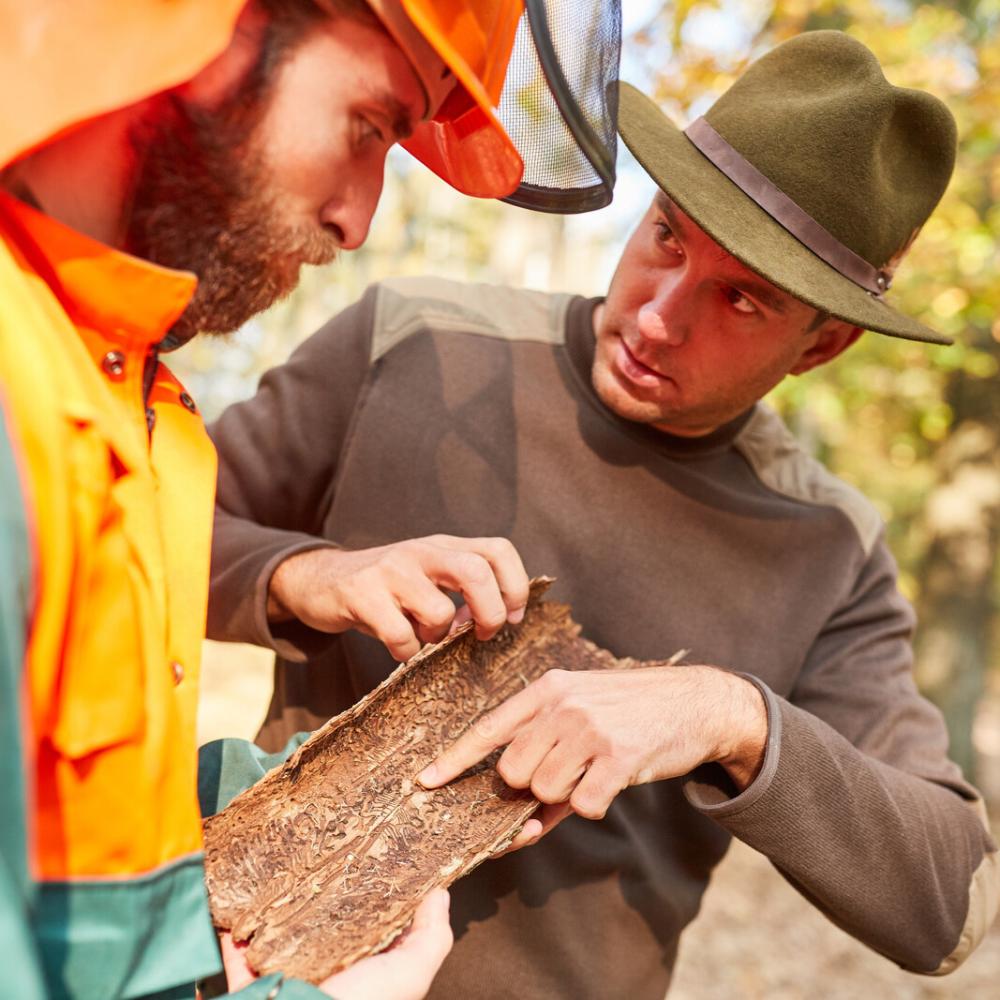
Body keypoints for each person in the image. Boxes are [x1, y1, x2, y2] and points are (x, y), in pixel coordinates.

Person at [207, 30, 1000, 999]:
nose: (661, 313)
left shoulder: (831, 548)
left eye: (741, 300)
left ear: (820, 346)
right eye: (665, 232)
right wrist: (306, 575)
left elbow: (952, 902)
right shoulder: (407, 341)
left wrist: (728, 714)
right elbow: (122, 541)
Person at [0, 0, 624, 995]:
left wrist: (329, 798)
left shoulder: (109, 381)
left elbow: (54, 827)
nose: (358, 220)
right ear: (221, 30)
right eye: (370, 126)